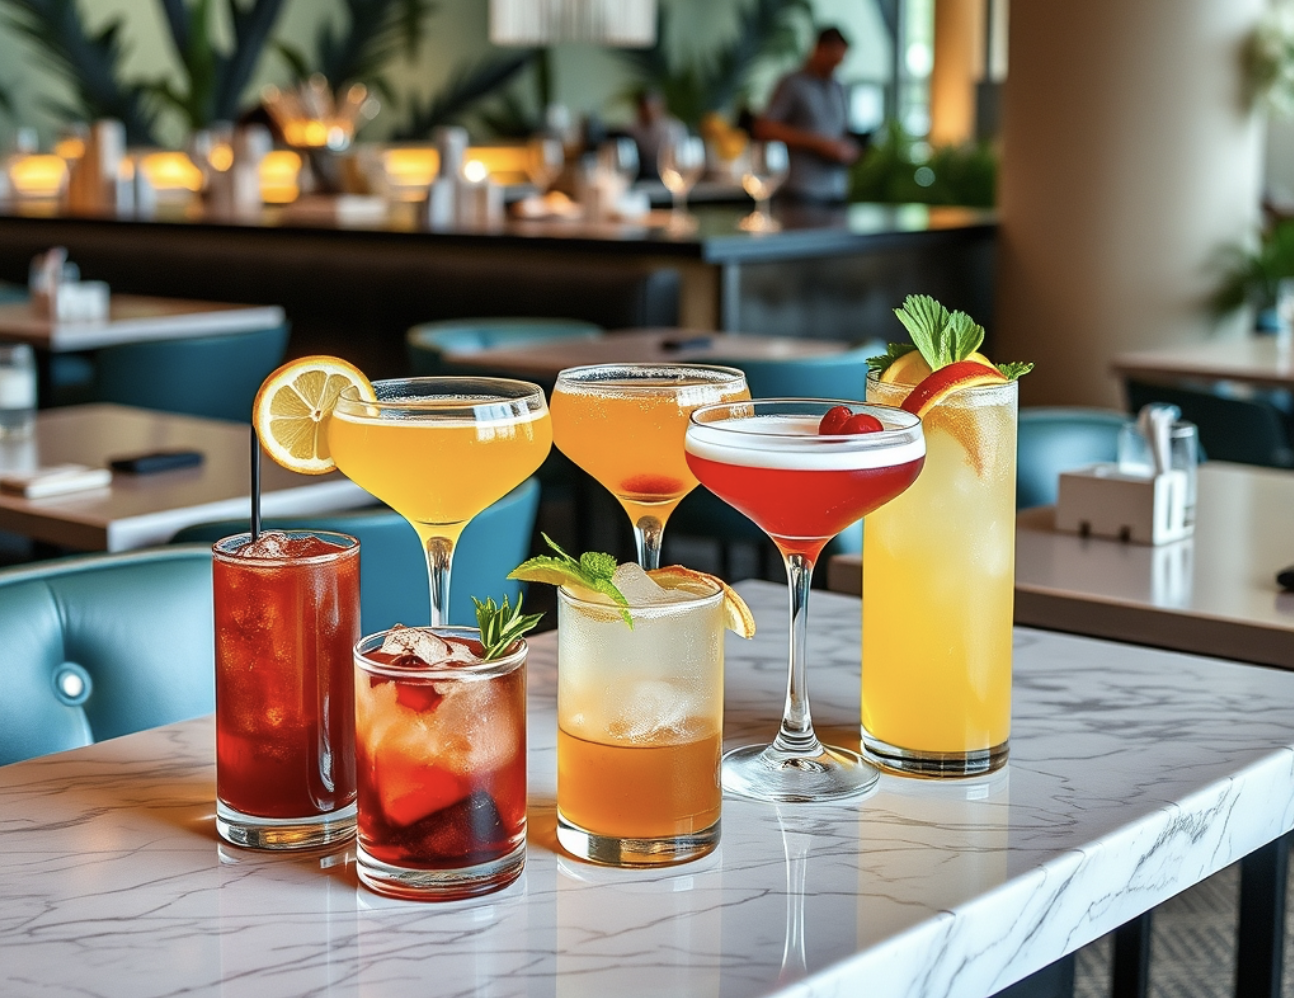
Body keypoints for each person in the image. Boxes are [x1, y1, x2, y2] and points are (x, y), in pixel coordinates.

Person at [755, 26, 860, 202]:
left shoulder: (839, 88)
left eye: (840, 62)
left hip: (837, 190)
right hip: (802, 190)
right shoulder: (792, 84)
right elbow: (765, 128)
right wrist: (818, 144)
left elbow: (841, 130)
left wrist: (848, 148)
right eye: (833, 60)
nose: (836, 67)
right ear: (819, 49)